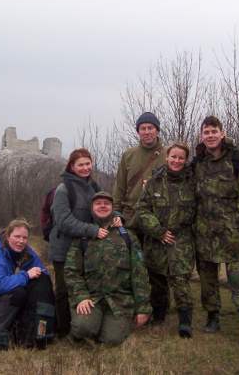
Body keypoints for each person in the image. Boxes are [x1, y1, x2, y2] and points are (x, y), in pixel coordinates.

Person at [192, 116, 239, 347]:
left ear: (222, 133)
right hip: (205, 235)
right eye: (206, 132)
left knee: (238, 279)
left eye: (214, 131)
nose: (210, 135)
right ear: (201, 136)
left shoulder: (238, 161)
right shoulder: (197, 163)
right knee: (207, 281)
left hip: (234, 235)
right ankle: (213, 317)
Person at [64, 191, 151, 345]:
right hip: (92, 298)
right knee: (83, 328)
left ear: (113, 208)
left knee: (112, 339)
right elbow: (71, 271)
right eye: (98, 203)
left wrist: (143, 308)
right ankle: (88, 325)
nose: (102, 206)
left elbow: (139, 273)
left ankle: (107, 327)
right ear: (92, 208)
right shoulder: (83, 236)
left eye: (106, 203)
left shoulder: (127, 236)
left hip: (120, 301)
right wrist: (81, 297)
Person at [130, 142, 196, 338]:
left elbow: (200, 210)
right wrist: (158, 231)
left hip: (181, 240)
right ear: (167, 157)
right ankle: (159, 314)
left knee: (180, 280)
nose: (176, 161)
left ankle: (185, 320)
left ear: (185, 160)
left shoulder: (192, 183)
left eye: (181, 158)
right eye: (173, 157)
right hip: (156, 239)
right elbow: (142, 210)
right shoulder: (153, 182)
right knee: (157, 279)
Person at [112, 111, 167, 323]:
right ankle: (134, 307)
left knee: (156, 266)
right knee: (133, 264)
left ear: (157, 130)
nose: (147, 132)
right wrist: (116, 212)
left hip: (156, 218)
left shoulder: (167, 154)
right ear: (138, 132)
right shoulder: (128, 155)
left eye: (150, 128)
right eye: (143, 128)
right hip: (130, 217)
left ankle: (159, 310)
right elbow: (119, 186)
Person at [48, 148, 104, 337]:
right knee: (64, 290)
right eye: (81, 165)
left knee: (84, 286)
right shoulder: (63, 190)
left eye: (88, 163)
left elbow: (104, 207)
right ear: (72, 167)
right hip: (63, 248)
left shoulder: (94, 187)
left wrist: (117, 217)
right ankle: (62, 330)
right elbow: (63, 221)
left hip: (85, 249)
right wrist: (92, 230)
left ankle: (81, 325)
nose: (85, 168)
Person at [0, 219, 54, 351]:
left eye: (24, 238)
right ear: (8, 236)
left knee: (41, 281)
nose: (21, 241)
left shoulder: (27, 253)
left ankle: (39, 332)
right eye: (17, 236)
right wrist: (25, 276)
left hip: (13, 299)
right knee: (17, 292)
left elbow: (42, 271)